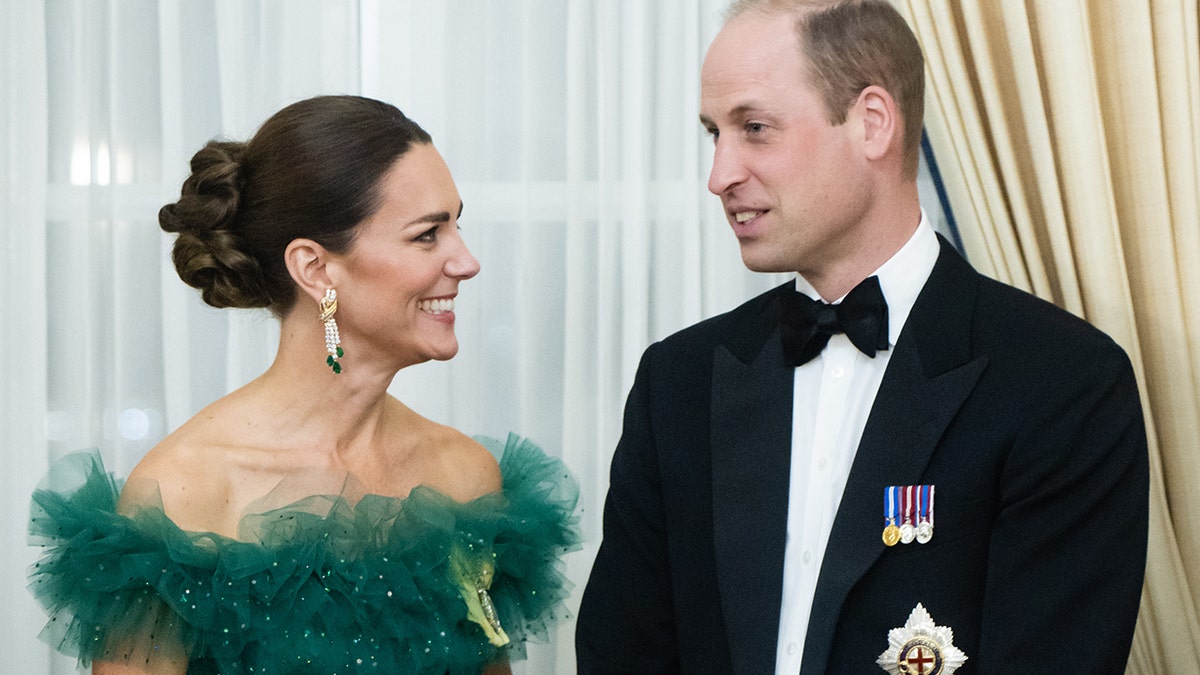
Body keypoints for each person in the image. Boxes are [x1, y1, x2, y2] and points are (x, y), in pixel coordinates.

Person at [575, 1, 1148, 673]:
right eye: (714, 134)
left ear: (872, 123)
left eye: (755, 128)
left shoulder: (1063, 382)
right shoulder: (677, 382)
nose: (719, 174)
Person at [28, 95, 579, 674]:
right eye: (427, 235)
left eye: (456, 226)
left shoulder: (465, 477)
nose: (466, 261)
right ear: (315, 269)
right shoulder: (183, 496)